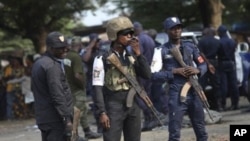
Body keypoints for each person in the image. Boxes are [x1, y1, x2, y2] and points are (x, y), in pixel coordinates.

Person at [92, 16, 151, 141]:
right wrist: (102, 112)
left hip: (132, 105)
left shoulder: (131, 56)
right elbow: (97, 88)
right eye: (126, 34)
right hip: (113, 106)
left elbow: (147, 75)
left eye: (131, 33)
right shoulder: (102, 59)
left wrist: (139, 54)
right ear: (115, 36)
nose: (130, 36)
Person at [152, 17, 208, 141]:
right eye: (173, 29)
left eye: (178, 28)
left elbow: (203, 64)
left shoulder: (190, 46)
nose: (176, 31)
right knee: (174, 132)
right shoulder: (161, 50)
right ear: (166, 31)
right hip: (176, 92)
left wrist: (198, 70)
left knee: (201, 131)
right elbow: (154, 75)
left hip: (194, 90)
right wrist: (174, 72)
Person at [31, 31, 73, 141]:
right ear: (50, 48)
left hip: (44, 117)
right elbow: (57, 94)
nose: (64, 50)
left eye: (65, 47)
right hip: (55, 119)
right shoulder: (52, 66)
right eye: (60, 48)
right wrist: (66, 119)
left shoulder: (39, 63)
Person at [64, 36, 102, 139]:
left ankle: (87, 131)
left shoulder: (67, 56)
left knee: (82, 110)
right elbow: (77, 75)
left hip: (70, 88)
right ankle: (74, 135)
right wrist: (82, 85)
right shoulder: (75, 57)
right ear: (79, 45)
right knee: (77, 113)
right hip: (77, 89)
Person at [133, 21, 165, 131]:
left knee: (140, 96)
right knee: (147, 95)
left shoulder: (139, 40)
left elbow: (138, 54)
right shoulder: (149, 38)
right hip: (149, 70)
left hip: (142, 71)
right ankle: (150, 120)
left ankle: (152, 116)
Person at [197, 27, 222, 111]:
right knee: (216, 85)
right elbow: (221, 53)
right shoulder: (217, 41)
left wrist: (207, 63)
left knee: (202, 85)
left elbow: (200, 53)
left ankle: (203, 105)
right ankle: (219, 105)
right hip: (214, 63)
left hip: (203, 63)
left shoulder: (201, 41)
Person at [217, 25, 239, 110]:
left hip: (222, 63)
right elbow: (234, 52)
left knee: (224, 85)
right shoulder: (232, 41)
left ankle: (223, 104)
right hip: (231, 63)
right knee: (234, 84)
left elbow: (217, 53)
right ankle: (235, 103)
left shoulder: (219, 42)